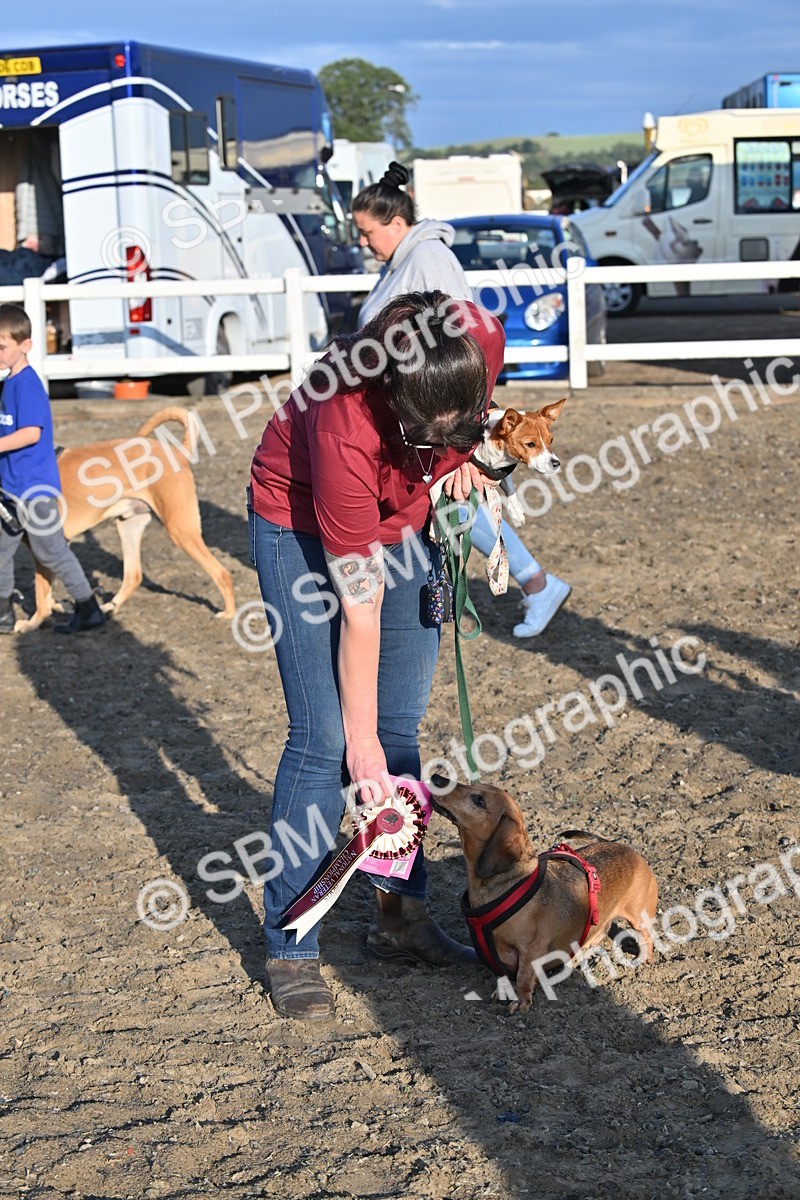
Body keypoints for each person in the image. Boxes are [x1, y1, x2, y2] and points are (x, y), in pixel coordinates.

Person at [249, 290, 504, 1021]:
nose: (444, 445)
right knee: (327, 739)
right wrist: (360, 756)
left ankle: (400, 920)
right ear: (393, 391)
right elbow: (358, 608)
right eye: (432, 436)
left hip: (403, 516)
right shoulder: (344, 420)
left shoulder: (474, 335)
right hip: (298, 515)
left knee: (399, 732)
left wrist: (475, 461)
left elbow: (479, 427)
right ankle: (291, 945)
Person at [353, 162, 571, 637]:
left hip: (432, 416)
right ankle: (535, 582)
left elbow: (463, 340)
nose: (363, 243)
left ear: (395, 224)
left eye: (367, 233)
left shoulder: (426, 260)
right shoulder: (405, 260)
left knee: (456, 501)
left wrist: (459, 429)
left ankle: (536, 582)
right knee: (456, 503)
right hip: (417, 415)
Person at [0, 303, 105, 634]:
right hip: (10, 487)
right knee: (1, 548)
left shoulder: (28, 384)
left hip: (34, 490)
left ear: (25, 345)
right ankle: (2, 612)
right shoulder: (8, 383)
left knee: (51, 550)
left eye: (2, 346)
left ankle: (89, 608)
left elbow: (32, 433)